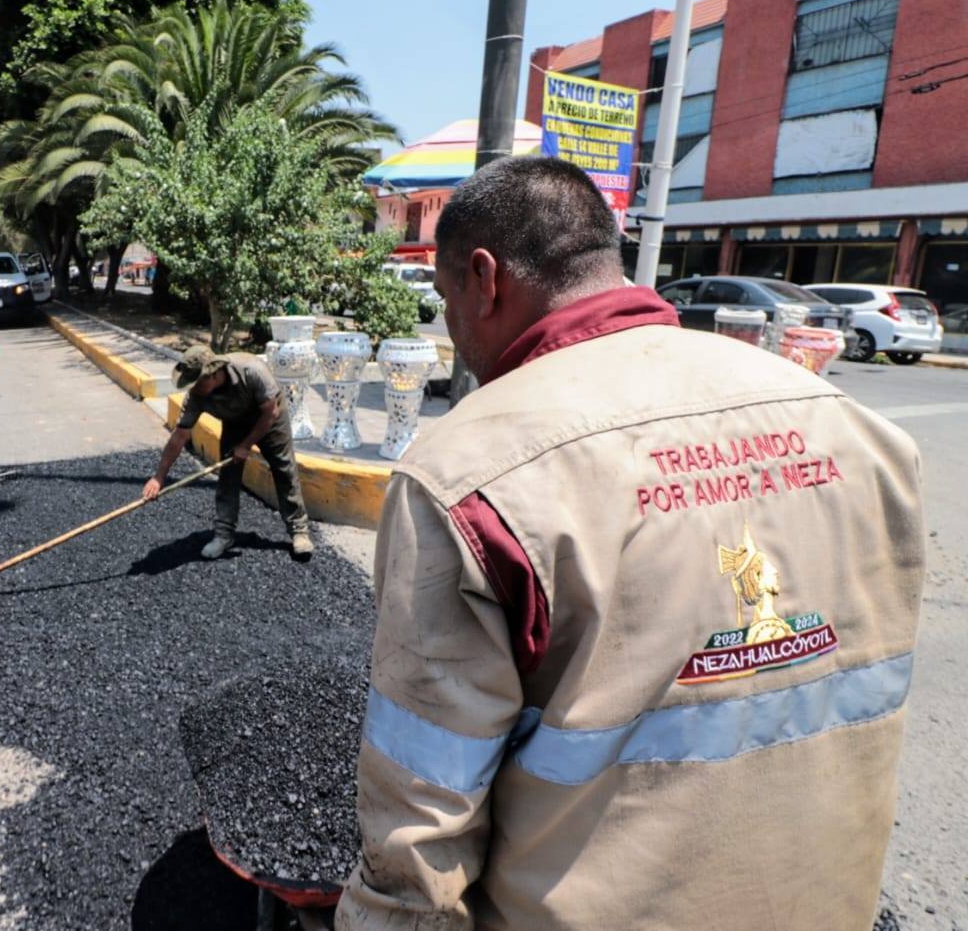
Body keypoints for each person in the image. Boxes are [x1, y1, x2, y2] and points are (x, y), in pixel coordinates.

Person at [337, 156, 925, 931]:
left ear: (485, 279)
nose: (448, 323)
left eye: (445, 299)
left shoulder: (467, 474)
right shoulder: (854, 427)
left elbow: (422, 814)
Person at [143, 345, 313, 562]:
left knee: (284, 468)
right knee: (228, 474)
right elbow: (179, 436)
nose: (193, 389)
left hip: (270, 419)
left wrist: (246, 445)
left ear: (213, 374)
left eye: (197, 383)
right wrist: (159, 477)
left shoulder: (251, 371)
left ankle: (299, 530)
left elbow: (271, 412)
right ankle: (224, 534)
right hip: (235, 423)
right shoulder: (196, 396)